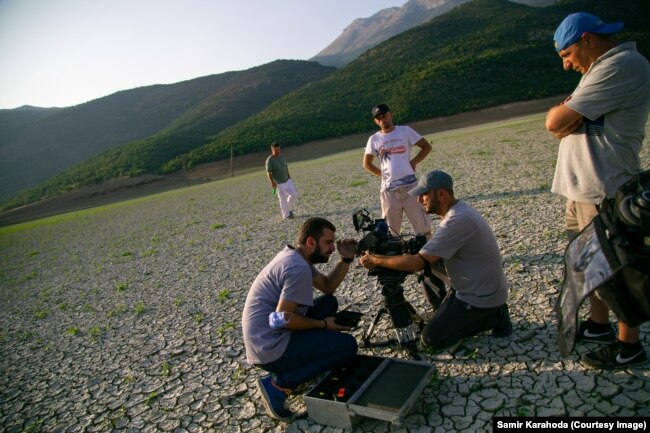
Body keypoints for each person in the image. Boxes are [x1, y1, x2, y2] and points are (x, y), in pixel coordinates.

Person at [545, 12, 650, 369]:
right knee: (588, 264)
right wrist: (570, 115)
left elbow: (555, 122)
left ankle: (629, 346)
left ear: (587, 39)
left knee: (615, 267)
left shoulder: (621, 64)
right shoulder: (596, 71)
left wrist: (567, 113)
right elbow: (562, 127)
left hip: (605, 187)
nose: (565, 65)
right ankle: (600, 325)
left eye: (566, 55)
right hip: (582, 190)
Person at [359, 170, 512, 349]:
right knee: (428, 259)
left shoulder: (457, 220)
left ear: (441, 193)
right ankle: (445, 310)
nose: (418, 200)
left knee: (431, 339)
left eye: (423, 195)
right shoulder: (458, 211)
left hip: (480, 297)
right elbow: (426, 257)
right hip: (476, 284)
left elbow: (416, 263)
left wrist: (376, 259)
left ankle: (495, 316)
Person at [242, 217, 358, 420]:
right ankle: (279, 384)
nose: (333, 248)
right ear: (311, 242)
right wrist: (323, 325)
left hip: (270, 336)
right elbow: (282, 318)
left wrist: (346, 259)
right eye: (328, 243)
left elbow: (328, 286)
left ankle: (309, 355)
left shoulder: (296, 256)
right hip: (270, 349)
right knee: (347, 346)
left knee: (328, 302)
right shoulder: (298, 268)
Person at [363, 104, 432, 237]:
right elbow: (367, 164)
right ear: (376, 122)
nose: (383, 120)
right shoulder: (374, 139)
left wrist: (413, 162)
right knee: (391, 233)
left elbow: (426, 146)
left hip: (411, 188)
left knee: (424, 229)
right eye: (379, 118)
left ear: (391, 114)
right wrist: (382, 175)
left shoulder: (405, 131)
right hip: (389, 192)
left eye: (384, 116)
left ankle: (430, 255)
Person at [266, 142, 298, 219]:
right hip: (279, 183)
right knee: (282, 199)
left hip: (287, 180)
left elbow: (285, 166)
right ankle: (286, 215)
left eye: (278, 150)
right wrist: (272, 182)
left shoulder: (282, 156)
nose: (278, 151)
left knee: (294, 194)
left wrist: (289, 177)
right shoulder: (270, 160)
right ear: (272, 150)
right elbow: (268, 172)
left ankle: (288, 210)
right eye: (275, 150)